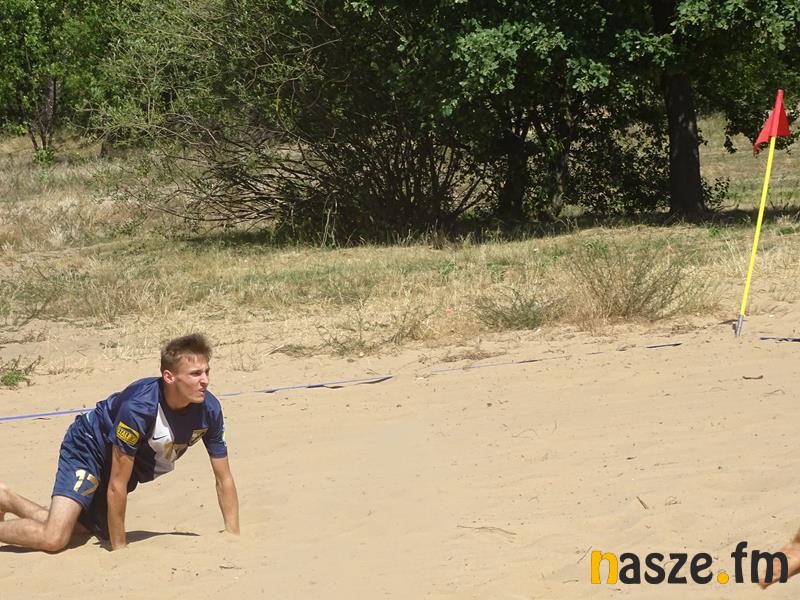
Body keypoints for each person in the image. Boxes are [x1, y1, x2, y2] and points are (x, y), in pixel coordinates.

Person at [0, 333, 239, 552]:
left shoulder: (209, 409)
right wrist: (120, 550)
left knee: (79, 528)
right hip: (90, 445)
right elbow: (117, 484)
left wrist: (232, 534)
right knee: (54, 538)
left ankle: (6, 498)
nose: (205, 380)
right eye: (195, 374)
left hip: (125, 461)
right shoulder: (139, 408)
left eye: (207, 371)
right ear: (169, 376)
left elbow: (223, 477)